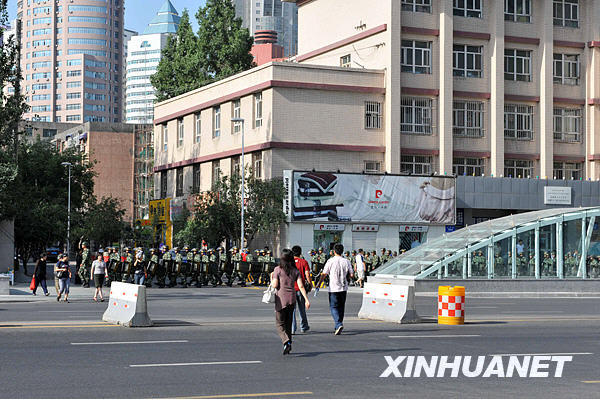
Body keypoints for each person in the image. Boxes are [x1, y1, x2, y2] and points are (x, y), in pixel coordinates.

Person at [271, 249, 311, 355]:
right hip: (292, 299)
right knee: (288, 324)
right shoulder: (295, 271)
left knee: (279, 324)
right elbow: (301, 286)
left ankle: (286, 341)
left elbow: (274, 285)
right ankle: (288, 344)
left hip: (281, 300)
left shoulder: (277, 269)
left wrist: (272, 278)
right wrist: (306, 299)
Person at [316, 243, 354, 335]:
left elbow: (324, 273)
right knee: (341, 307)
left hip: (333, 288)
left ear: (333, 251)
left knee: (333, 306)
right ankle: (338, 324)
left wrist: (319, 284)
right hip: (343, 287)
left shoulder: (330, 261)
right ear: (342, 251)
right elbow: (352, 274)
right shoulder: (346, 261)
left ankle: (338, 323)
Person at [291, 245, 312, 335]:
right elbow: (307, 275)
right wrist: (310, 284)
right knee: (301, 308)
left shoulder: (289, 263)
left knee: (292, 310)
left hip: (290, 289)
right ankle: (303, 326)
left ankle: (292, 328)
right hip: (300, 288)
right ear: (300, 253)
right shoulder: (304, 262)